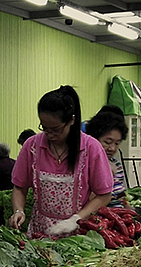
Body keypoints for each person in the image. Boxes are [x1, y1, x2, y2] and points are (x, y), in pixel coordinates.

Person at [8, 86, 114, 237]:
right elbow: (19, 188)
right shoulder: (32, 146)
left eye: (56, 129)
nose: (50, 134)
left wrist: (76, 219)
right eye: (45, 128)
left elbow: (104, 195)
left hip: (77, 235)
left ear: (71, 120)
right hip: (40, 233)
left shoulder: (91, 148)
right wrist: (18, 211)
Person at [85, 108, 130, 207]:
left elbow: (120, 197)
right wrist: (107, 174)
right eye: (107, 142)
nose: (112, 148)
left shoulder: (116, 163)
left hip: (119, 218)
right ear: (94, 139)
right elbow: (87, 201)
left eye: (117, 143)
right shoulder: (86, 165)